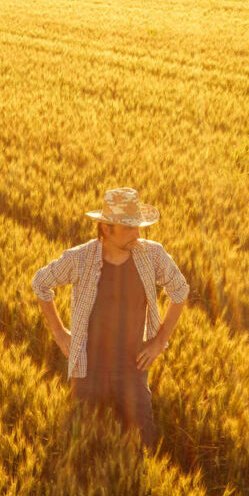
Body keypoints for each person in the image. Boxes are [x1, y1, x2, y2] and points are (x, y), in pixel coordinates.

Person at [31, 187, 189, 449]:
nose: (138, 233)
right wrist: (59, 333)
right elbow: (40, 283)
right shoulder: (81, 258)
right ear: (106, 228)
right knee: (82, 443)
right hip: (88, 368)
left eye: (138, 226)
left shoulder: (152, 255)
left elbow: (181, 291)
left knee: (143, 442)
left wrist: (160, 341)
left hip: (132, 367)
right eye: (128, 228)